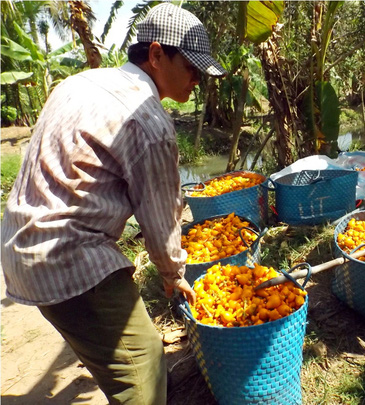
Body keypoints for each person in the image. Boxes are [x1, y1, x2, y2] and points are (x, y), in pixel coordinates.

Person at [1, 4, 226, 404]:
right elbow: (160, 219)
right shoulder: (148, 122)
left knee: (118, 355)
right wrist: (173, 274)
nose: (197, 79)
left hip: (19, 246)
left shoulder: (81, 82)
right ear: (156, 55)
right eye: (191, 67)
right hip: (66, 254)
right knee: (143, 370)